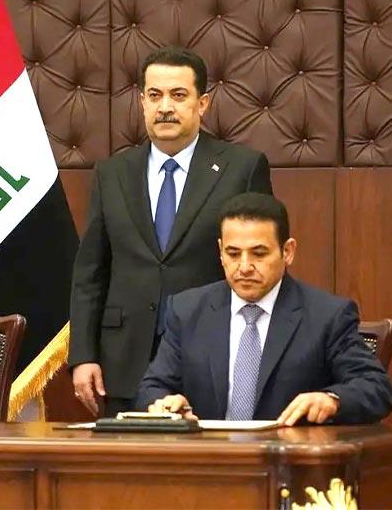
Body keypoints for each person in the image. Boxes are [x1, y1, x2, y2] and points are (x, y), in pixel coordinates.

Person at [70, 46, 273, 417]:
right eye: (155, 95)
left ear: (202, 103)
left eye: (178, 95)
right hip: (123, 363)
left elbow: (261, 265)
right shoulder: (112, 173)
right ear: (142, 102)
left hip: (210, 355)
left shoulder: (242, 169)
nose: (165, 107)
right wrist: (83, 355)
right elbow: (90, 272)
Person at [136, 193, 392, 425]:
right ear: (220, 252)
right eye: (233, 253)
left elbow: (376, 388)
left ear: (287, 251)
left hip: (287, 456)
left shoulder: (327, 316)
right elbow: (152, 387)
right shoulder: (187, 311)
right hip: (208, 456)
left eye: (258, 254)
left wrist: (331, 400)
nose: (244, 267)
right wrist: (164, 404)